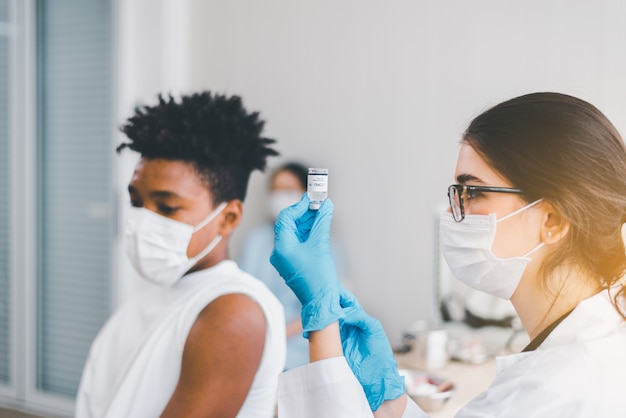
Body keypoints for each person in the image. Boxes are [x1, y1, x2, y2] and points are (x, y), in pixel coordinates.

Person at [270, 92, 626, 417]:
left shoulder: (555, 391)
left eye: (472, 192)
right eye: (457, 193)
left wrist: (321, 321)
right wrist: (390, 399)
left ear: (552, 219)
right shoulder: (595, 340)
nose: (455, 213)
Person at [75, 92, 286, 418]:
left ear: (228, 217)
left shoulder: (234, 312)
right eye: (136, 202)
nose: (144, 219)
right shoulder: (147, 301)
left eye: (167, 206)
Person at [237, 162, 311, 370]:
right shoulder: (256, 239)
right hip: (253, 337)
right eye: (275, 190)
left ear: (306, 194)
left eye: (287, 190)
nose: (280, 196)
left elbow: (321, 306)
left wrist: (277, 336)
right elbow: (241, 290)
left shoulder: (318, 245)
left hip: (295, 348)